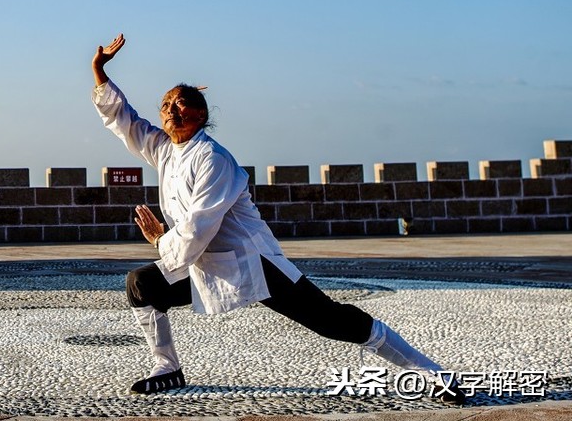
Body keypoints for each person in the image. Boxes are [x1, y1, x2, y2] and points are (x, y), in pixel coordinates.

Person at [91, 33, 464, 403]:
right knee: (142, 284)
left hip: (251, 263)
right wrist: (99, 72)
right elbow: (127, 122)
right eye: (167, 103)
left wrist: (160, 241)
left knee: (331, 320)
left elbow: (198, 227)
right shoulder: (165, 150)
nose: (172, 109)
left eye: (182, 103)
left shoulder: (212, 158)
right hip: (204, 263)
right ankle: (167, 368)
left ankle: (436, 375)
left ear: (201, 115)